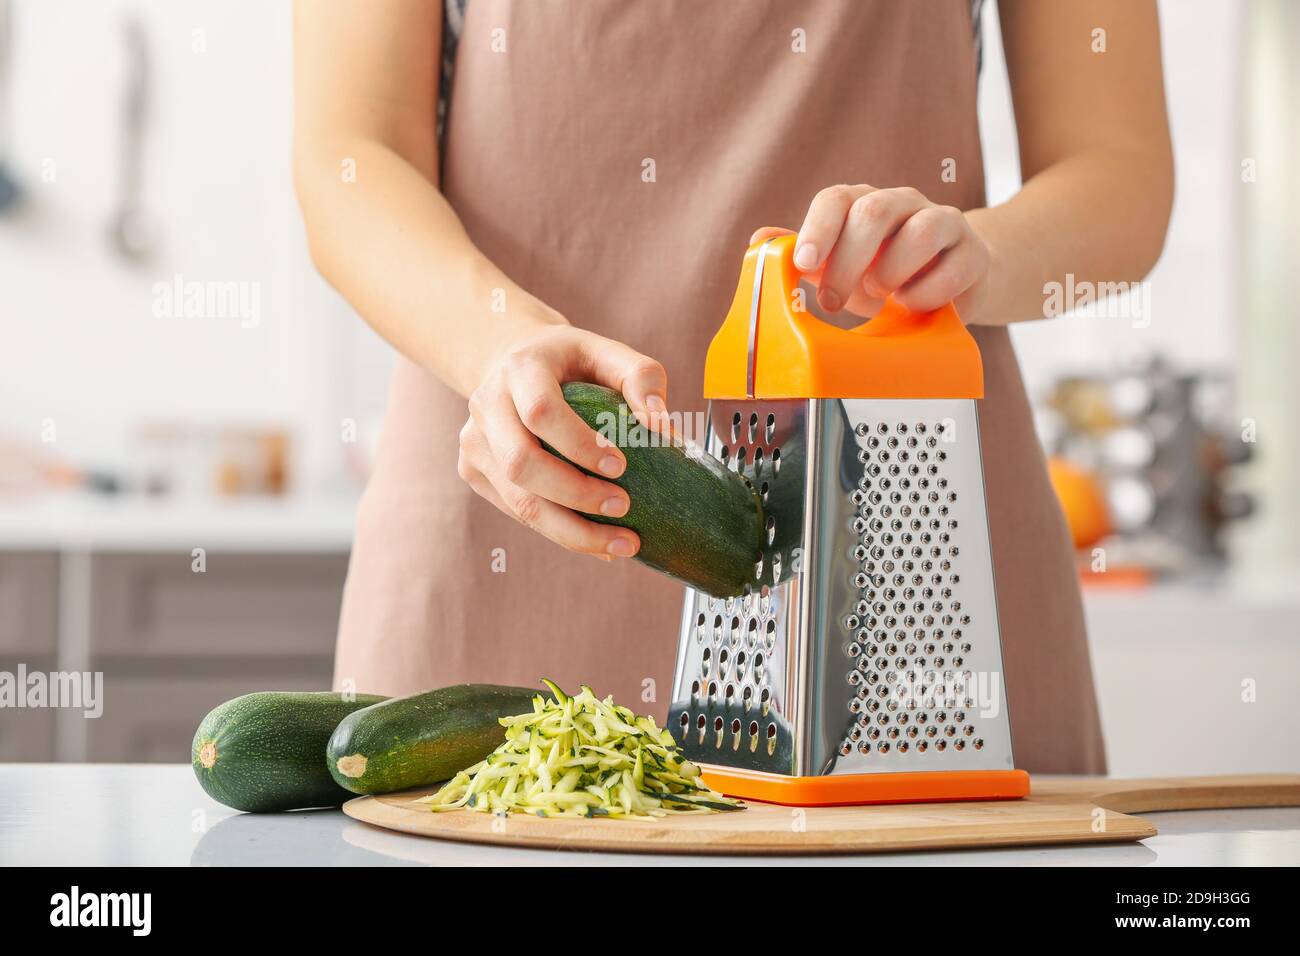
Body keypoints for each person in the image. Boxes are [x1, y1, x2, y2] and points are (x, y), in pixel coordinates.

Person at [293, 0, 1173, 773]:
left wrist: (975, 259)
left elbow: (1121, 173)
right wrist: (497, 344)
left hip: (915, 568)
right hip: (504, 529)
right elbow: (349, 155)